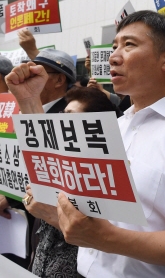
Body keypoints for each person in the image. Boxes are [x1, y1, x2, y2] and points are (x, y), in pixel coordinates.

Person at [7, 10, 165, 277]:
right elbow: (61, 183)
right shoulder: (114, 128)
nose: (113, 56)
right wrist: (30, 101)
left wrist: (106, 238)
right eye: (114, 46)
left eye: (129, 45)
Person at [6, 83, 119, 277]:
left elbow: (100, 235)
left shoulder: (106, 175)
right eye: (63, 113)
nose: (62, 121)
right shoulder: (57, 160)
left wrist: (52, 215)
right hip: (42, 259)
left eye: (71, 116)